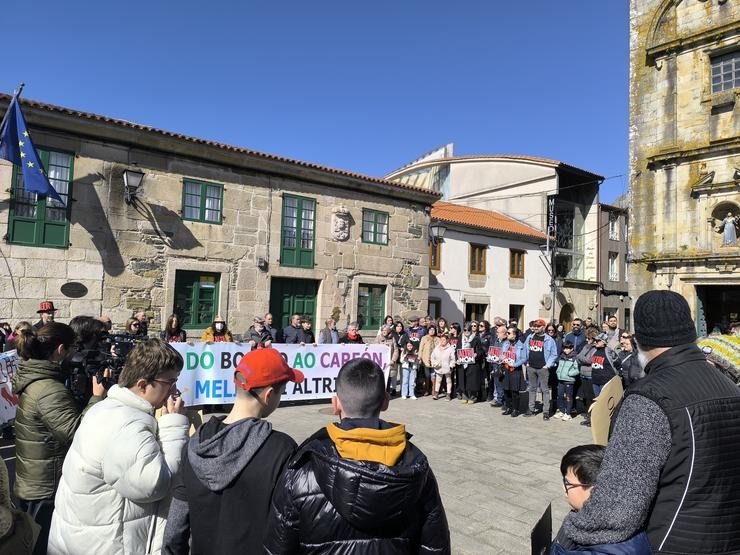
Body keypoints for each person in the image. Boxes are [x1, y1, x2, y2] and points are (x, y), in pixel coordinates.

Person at [557, 290, 740, 553]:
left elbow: (617, 511)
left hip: (673, 542)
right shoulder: (728, 385)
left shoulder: (650, 397)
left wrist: (569, 533)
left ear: (640, 338)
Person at [263, 358, 450, 554]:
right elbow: (435, 547)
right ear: (385, 401)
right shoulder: (417, 468)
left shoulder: (301, 469)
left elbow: (278, 548)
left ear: (335, 403)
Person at [48, 339, 190, 555]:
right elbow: (153, 485)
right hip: (105, 545)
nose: (174, 389)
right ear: (142, 385)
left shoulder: (110, 408)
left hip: (85, 540)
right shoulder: (127, 424)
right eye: (169, 382)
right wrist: (173, 426)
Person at [163, 348, 302, 555]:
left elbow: (175, 529)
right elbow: (289, 527)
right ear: (269, 395)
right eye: (281, 392)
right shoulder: (282, 449)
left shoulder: (194, 444)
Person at [12, 323, 106, 555]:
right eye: (74, 347)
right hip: (44, 487)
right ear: (61, 349)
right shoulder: (49, 390)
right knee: (41, 546)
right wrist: (96, 398)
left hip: (34, 479)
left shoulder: (36, 378)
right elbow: (76, 433)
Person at [552, 444, 652, 554]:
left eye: (567, 483)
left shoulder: (603, 548)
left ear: (594, 490)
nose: (563, 487)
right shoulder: (627, 519)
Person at [523, 319, 559, 419]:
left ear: (543, 327)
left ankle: (546, 412)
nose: (535, 328)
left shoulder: (549, 339)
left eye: (538, 326)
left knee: (545, 390)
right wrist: (526, 362)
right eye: (534, 326)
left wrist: (547, 365)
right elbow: (525, 349)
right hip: (531, 367)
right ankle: (531, 409)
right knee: (532, 388)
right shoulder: (530, 337)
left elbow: (554, 354)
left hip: (543, 368)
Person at [500, 326, 527, 417]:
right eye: (507, 332)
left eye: (509, 333)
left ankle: (516, 409)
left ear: (514, 335)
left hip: (515, 370)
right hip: (506, 368)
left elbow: (524, 358)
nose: (507, 334)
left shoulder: (521, 345)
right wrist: (501, 357)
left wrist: (514, 365)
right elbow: (502, 354)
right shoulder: (505, 343)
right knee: (506, 389)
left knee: (514, 391)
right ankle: (508, 407)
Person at [456, 322, 484, 404]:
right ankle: (465, 395)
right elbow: (457, 349)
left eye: (468, 330)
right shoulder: (460, 337)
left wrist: (476, 354)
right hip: (462, 362)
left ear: (471, 330)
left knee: (471, 380)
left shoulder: (476, 338)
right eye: (465, 330)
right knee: (463, 379)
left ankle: (473, 396)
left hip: (472, 363)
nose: (466, 332)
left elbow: (481, 350)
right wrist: (457, 358)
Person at [576, 327, 599, 427]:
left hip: (590, 375)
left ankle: (592, 418)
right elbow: (578, 356)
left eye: (589, 338)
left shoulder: (596, 348)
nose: (587, 340)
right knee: (585, 397)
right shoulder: (586, 346)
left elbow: (590, 360)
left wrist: (581, 358)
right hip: (583, 374)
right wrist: (582, 358)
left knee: (591, 398)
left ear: (593, 338)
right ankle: (587, 415)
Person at [587, 333, 621, 398]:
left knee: (605, 401)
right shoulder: (594, 350)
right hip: (595, 380)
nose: (596, 342)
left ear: (603, 342)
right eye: (595, 340)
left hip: (605, 381)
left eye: (598, 341)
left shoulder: (608, 351)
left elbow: (617, 362)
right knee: (597, 401)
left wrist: (618, 374)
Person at [553, 342, 579, 421]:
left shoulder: (574, 358)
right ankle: (561, 411)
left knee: (568, 397)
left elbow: (577, 369)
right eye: (564, 348)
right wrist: (558, 372)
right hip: (561, 380)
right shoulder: (561, 357)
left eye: (568, 349)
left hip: (569, 380)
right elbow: (559, 366)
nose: (566, 350)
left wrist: (569, 373)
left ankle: (568, 413)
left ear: (571, 349)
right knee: (560, 396)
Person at [487, 325, 507, 407]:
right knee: (497, 383)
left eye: (498, 332)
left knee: (504, 383)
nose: (496, 334)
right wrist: (490, 357)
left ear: (504, 333)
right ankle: (499, 399)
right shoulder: (497, 340)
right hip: (496, 365)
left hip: (504, 365)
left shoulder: (507, 342)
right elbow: (494, 350)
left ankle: (505, 401)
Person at [377, 325, 400, 396]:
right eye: (383, 331)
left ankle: (387, 395)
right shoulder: (378, 338)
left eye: (385, 330)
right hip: (381, 363)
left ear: (388, 331)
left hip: (389, 363)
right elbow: (374, 348)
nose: (384, 332)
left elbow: (396, 350)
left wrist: (393, 360)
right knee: (380, 379)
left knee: (389, 378)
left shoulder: (392, 338)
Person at [431, 333, 455, 400]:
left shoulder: (450, 348)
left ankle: (448, 394)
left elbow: (453, 358)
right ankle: (436, 393)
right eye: (441, 340)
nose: (442, 341)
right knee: (438, 380)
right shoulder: (437, 348)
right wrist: (434, 363)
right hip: (438, 367)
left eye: (444, 340)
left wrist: (451, 365)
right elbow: (432, 356)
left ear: (447, 340)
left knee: (448, 380)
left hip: (447, 367)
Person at [418, 325, 438, 396]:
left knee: (433, 374)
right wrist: (419, 357)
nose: (432, 331)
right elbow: (421, 348)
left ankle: (433, 390)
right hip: (425, 359)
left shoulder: (437, 339)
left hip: (435, 360)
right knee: (427, 375)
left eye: (433, 330)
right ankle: (426, 389)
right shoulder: (424, 338)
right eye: (430, 329)